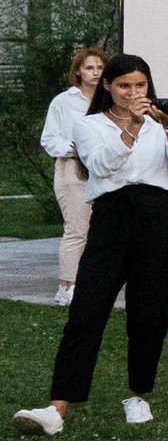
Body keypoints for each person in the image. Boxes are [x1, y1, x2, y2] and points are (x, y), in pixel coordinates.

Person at [14, 54, 168, 437]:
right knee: (86, 311)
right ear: (108, 88)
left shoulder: (160, 123)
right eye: (125, 86)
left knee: (148, 314)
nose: (134, 93)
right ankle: (56, 407)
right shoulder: (88, 125)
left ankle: (137, 396)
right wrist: (130, 126)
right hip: (112, 217)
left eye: (141, 85)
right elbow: (101, 166)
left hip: (161, 217)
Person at [39, 46, 106, 305]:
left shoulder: (107, 100)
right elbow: (49, 139)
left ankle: (90, 283)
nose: (95, 73)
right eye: (89, 68)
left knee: (97, 231)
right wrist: (73, 149)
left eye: (100, 68)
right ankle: (67, 285)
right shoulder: (64, 102)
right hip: (73, 168)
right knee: (76, 229)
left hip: (103, 169)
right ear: (78, 71)